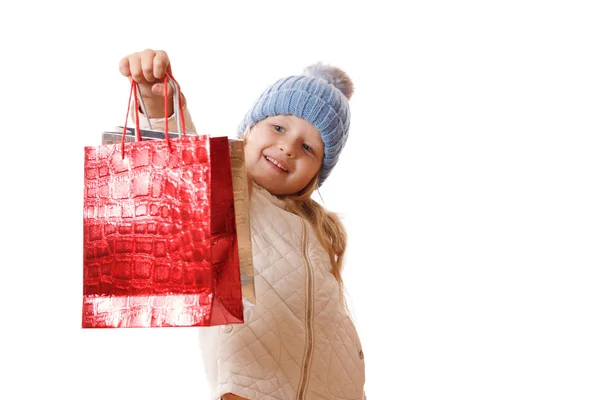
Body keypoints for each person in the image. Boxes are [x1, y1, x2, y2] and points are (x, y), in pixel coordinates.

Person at [119, 49, 366, 400]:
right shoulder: (231, 195)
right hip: (251, 388)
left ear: (317, 174)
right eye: (278, 127)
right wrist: (159, 107)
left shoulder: (319, 230)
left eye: (308, 148)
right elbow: (179, 170)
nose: (288, 147)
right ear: (249, 129)